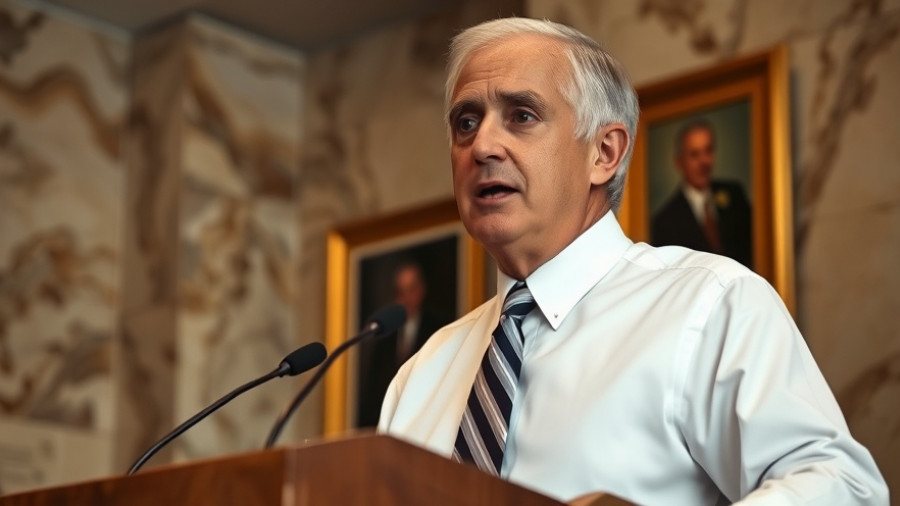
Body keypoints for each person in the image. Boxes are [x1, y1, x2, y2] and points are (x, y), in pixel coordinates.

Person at [378, 17, 888, 505]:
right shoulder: (421, 376)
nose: (482, 144)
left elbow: (841, 487)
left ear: (605, 152)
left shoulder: (709, 306)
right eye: (466, 122)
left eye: (522, 116)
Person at [651, 119, 753, 267]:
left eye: (708, 150)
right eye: (694, 154)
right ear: (679, 162)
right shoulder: (665, 221)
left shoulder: (735, 195)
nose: (704, 161)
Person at [356, 261, 443, 427]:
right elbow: (372, 395)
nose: (405, 298)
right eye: (400, 292)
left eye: (411, 290)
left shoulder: (437, 330)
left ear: (421, 290)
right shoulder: (385, 338)